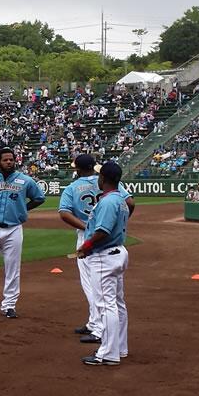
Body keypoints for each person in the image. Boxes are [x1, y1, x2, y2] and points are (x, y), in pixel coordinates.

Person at [57, 154, 134, 345]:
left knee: (94, 286)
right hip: (110, 237)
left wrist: (89, 229)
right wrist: (115, 223)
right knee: (114, 295)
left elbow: (64, 213)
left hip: (92, 238)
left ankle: (99, 329)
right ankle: (95, 323)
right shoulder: (111, 183)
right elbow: (130, 203)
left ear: (77, 169)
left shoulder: (73, 187)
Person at [0, 148, 46, 319]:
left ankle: (9, 305)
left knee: (12, 268)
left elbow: (39, 198)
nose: (9, 162)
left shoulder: (25, 180)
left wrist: (22, 209)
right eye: (5, 160)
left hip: (13, 229)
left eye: (11, 159)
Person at [79, 161, 131, 367]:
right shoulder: (120, 200)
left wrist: (86, 246)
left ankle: (108, 353)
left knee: (105, 305)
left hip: (105, 256)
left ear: (104, 179)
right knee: (117, 303)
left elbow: (103, 230)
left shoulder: (109, 202)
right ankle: (120, 347)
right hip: (116, 253)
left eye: (100, 175)